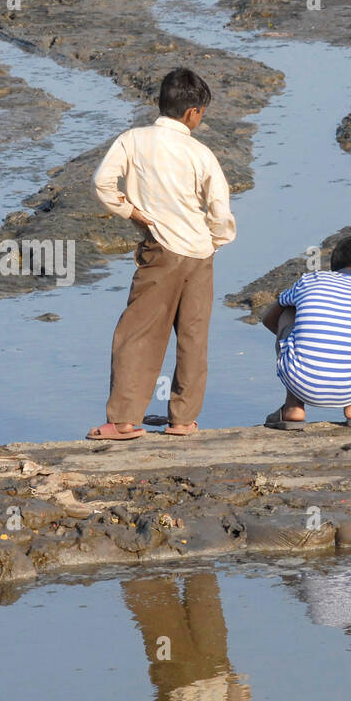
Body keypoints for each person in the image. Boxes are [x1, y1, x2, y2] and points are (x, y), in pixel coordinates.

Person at [87, 68, 235, 439]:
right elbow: (220, 210)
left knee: (139, 332)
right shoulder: (201, 153)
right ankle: (183, 420)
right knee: (193, 337)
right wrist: (214, 241)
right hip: (200, 254)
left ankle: (123, 420)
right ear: (192, 114)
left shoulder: (133, 141)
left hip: (160, 249)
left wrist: (135, 213)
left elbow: (102, 185)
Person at [260, 236, 351, 430]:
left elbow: (269, 318)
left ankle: (294, 405)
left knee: (288, 312)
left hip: (299, 382)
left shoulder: (311, 279)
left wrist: (296, 340)